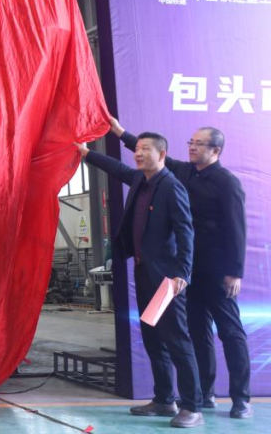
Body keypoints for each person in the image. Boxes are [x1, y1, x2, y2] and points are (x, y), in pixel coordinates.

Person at [109, 119, 251, 419]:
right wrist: (121, 133)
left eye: (198, 144)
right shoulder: (184, 171)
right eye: (190, 142)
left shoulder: (227, 182)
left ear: (216, 150)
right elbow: (153, 154)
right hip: (186, 270)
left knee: (230, 332)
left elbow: (237, 229)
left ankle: (241, 398)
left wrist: (234, 271)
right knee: (197, 333)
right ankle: (206, 394)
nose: (192, 147)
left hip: (217, 270)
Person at [77, 133, 203, 428]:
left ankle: (192, 407)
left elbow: (186, 233)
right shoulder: (140, 180)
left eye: (146, 149)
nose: (139, 153)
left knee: (177, 341)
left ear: (161, 154)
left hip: (166, 280)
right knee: (153, 338)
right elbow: (117, 169)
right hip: (143, 272)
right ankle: (163, 399)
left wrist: (181, 274)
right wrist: (87, 154)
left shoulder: (171, 187)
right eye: (138, 148)